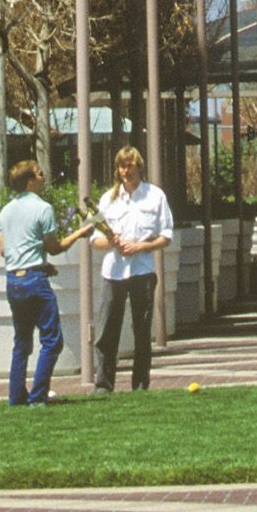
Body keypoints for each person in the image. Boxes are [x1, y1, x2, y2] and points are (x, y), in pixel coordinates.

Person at [88, 143, 176, 392]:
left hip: (143, 272)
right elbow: (95, 239)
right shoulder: (107, 199)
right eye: (121, 166)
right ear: (117, 170)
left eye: (130, 165)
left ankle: (140, 385)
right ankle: (103, 385)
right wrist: (112, 242)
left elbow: (166, 235)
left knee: (141, 332)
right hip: (113, 273)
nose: (126, 170)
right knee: (107, 330)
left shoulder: (155, 196)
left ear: (139, 166)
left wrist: (139, 247)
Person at [0, 155, 66, 406]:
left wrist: (43, 265)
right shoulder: (43, 208)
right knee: (52, 340)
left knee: (22, 343)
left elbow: (4, 250)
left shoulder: (5, 212)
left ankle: (16, 398)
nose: (44, 176)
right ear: (30, 181)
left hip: (13, 280)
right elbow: (54, 247)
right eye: (40, 173)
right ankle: (37, 397)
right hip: (35, 281)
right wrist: (81, 232)